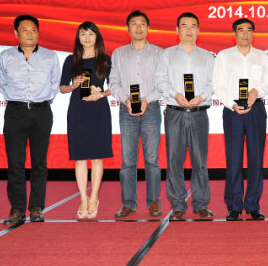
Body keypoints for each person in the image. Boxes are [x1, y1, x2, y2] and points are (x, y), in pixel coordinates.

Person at [0, 15, 60, 225]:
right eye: (25, 30)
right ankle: (16, 208)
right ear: (16, 33)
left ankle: (36, 207)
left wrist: (40, 100)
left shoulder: (50, 56)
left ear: (38, 32)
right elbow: (2, 83)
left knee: (39, 162)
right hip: (15, 112)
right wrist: (18, 101)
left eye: (33, 30)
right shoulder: (5, 56)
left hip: (41, 112)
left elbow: (54, 84)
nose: (30, 34)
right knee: (15, 162)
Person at [155, 12, 215, 220]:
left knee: (200, 162)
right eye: (184, 26)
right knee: (174, 161)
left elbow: (213, 83)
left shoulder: (207, 56)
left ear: (198, 30)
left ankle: (201, 204)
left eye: (193, 26)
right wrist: (175, 95)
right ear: (177, 29)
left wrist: (201, 97)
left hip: (199, 113)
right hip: (175, 113)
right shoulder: (167, 55)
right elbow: (160, 80)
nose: (189, 30)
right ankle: (178, 205)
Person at [212, 18, 268, 221]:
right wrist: (231, 104)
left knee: (256, 158)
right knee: (234, 158)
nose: (245, 33)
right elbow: (218, 85)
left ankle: (253, 204)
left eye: (249, 30)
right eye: (241, 30)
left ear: (253, 33)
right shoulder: (224, 56)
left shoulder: (262, 56)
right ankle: (234, 205)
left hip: (256, 108)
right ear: (234, 33)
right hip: (232, 109)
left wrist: (257, 91)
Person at [109, 11, 164, 218]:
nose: (139, 27)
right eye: (134, 24)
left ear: (148, 28)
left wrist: (146, 99)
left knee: (152, 160)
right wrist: (126, 99)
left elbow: (162, 84)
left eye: (142, 24)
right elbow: (113, 82)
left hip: (151, 109)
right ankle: (128, 203)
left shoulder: (159, 53)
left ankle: (154, 202)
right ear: (127, 28)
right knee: (128, 161)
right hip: (127, 109)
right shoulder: (118, 53)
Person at [59, 21, 113, 219]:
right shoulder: (71, 60)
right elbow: (62, 87)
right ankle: (83, 198)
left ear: (97, 36)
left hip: (98, 110)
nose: (87, 38)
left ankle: (94, 197)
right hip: (78, 110)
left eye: (91, 34)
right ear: (78, 37)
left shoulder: (105, 59)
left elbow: (116, 86)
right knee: (80, 157)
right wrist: (74, 85)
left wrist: (102, 94)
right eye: (83, 34)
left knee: (97, 157)